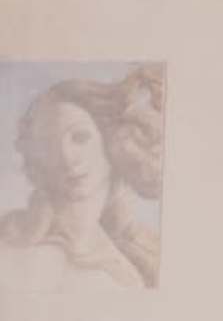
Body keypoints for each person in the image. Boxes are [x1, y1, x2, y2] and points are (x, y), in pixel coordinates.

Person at [0, 76, 160, 295]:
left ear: (111, 141)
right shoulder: (15, 246)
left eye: (80, 137)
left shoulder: (132, 254)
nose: (67, 156)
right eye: (48, 144)